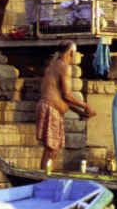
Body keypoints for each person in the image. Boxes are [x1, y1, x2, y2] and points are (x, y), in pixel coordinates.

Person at [38, 42, 94, 171]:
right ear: (72, 53)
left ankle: (46, 175)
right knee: (51, 149)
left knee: (53, 148)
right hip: (50, 108)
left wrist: (79, 112)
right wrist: (86, 106)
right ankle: (45, 178)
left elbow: (61, 97)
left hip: (50, 107)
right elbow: (67, 95)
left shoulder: (53, 64)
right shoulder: (64, 66)